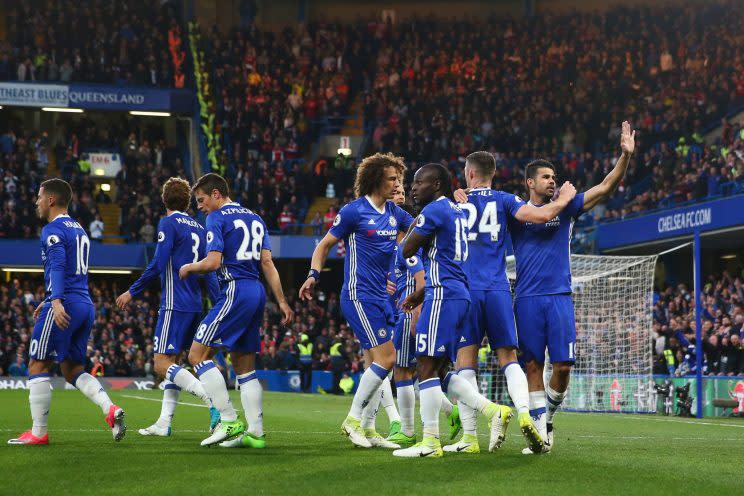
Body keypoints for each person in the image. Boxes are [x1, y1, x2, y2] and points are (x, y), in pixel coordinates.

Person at [508, 121, 635, 454]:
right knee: (532, 366)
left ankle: (546, 419)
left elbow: (606, 187)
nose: (553, 180)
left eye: (554, 176)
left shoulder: (567, 208)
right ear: (530, 183)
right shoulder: (516, 213)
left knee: (563, 366)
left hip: (559, 297)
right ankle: (537, 434)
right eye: (546, 176)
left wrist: (625, 155)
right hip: (527, 299)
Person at [448, 151, 576, 454]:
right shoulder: (506, 202)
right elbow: (542, 215)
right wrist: (564, 198)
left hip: (466, 289)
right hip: (499, 289)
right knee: (509, 358)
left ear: (469, 174)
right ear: (494, 173)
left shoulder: (454, 204)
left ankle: (469, 438)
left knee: (464, 363)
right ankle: (524, 414)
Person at [393, 163, 513, 458]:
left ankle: (430, 442)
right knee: (442, 368)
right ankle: (491, 410)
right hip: (459, 294)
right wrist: (419, 292)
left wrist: (413, 225)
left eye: (419, 182)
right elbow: (445, 259)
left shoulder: (434, 211)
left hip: (443, 295)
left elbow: (405, 250)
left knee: (425, 366)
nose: (412, 188)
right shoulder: (456, 211)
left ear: (436, 185)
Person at [299, 152, 412, 449]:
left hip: (382, 299)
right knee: (387, 359)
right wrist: (313, 274)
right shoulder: (354, 212)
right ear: (376, 179)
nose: (396, 184)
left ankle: (371, 428)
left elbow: (422, 227)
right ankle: (352, 419)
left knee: (376, 364)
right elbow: (324, 245)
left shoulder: (394, 213)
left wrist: (453, 206)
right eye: (392, 178)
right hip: (358, 296)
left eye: (398, 179)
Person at [179, 173, 294, 448]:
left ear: (217, 194)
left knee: (197, 355)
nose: (201, 207)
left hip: (235, 290)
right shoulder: (256, 218)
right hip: (256, 292)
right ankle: (256, 432)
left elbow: (214, 262)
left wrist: (189, 267)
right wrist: (281, 300)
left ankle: (229, 420)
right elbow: (267, 263)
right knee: (244, 366)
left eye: (202, 200)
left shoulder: (217, 218)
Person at [8, 179, 126, 446]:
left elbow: (59, 265)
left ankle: (38, 432)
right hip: (85, 304)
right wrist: (50, 297)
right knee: (72, 369)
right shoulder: (79, 230)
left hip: (65, 304)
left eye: (39, 196)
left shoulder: (52, 229)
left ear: (51, 200)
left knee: (37, 364)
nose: (36, 201)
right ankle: (110, 409)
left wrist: (56, 300)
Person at [115, 177, 220, 437]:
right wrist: (219, 304)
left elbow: (159, 263)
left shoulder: (168, 223)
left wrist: (132, 291)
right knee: (176, 363)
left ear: (164, 200)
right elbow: (209, 273)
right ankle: (164, 422)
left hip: (175, 305)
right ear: (187, 202)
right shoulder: (198, 226)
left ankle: (212, 399)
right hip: (195, 305)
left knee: (161, 364)